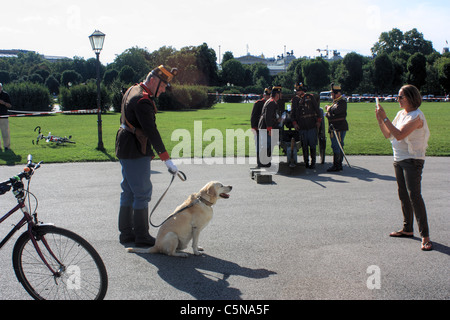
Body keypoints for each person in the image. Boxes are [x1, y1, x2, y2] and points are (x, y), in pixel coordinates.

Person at [115, 65, 179, 247]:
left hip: (125, 146)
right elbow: (152, 131)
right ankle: (141, 235)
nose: (162, 91)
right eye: (162, 86)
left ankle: (126, 233)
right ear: (153, 80)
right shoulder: (143, 100)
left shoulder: (133, 89)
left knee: (128, 191)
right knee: (142, 193)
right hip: (135, 149)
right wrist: (167, 160)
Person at [376, 84, 432, 251]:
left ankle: (426, 236)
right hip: (399, 159)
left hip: (413, 160)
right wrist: (380, 119)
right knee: (403, 195)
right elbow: (388, 134)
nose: (397, 99)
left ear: (411, 98)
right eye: (398, 96)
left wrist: (385, 118)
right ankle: (407, 229)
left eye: (401, 97)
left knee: (414, 196)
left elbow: (400, 135)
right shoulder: (401, 114)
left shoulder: (417, 117)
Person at [291, 83, 322, 169]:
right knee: (304, 145)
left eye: (299, 91)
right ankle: (306, 162)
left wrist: (319, 121)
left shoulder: (310, 97)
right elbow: (292, 114)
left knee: (312, 145)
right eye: (297, 91)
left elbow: (317, 110)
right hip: (302, 126)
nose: (297, 92)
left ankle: (313, 162)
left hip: (311, 124)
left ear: (302, 90)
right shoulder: (295, 100)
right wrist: (295, 123)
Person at [325, 83, 348, 172]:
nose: (331, 95)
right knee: (337, 145)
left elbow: (336, 111)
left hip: (338, 127)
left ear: (336, 93)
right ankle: (338, 164)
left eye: (332, 93)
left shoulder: (341, 101)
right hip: (335, 127)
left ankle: (337, 164)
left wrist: (328, 109)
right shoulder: (336, 102)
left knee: (337, 145)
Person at [258, 86, 282, 167]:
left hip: (265, 127)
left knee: (267, 145)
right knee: (266, 145)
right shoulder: (271, 102)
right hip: (266, 128)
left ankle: (265, 162)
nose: (281, 95)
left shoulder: (271, 102)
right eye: (280, 94)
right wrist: (270, 129)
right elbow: (267, 116)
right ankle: (263, 162)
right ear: (277, 95)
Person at [251, 87, 271, 167]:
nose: (268, 97)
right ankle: (259, 162)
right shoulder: (258, 103)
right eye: (266, 95)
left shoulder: (271, 104)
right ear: (264, 95)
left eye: (269, 95)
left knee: (268, 145)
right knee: (259, 146)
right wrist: (254, 128)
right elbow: (253, 117)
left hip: (267, 129)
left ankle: (266, 161)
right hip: (259, 129)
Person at [0, 83, 12, 152]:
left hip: (4, 116)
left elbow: (10, 105)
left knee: (5, 133)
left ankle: (6, 147)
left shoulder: (5, 95)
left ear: (1, 88)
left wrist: (3, 103)